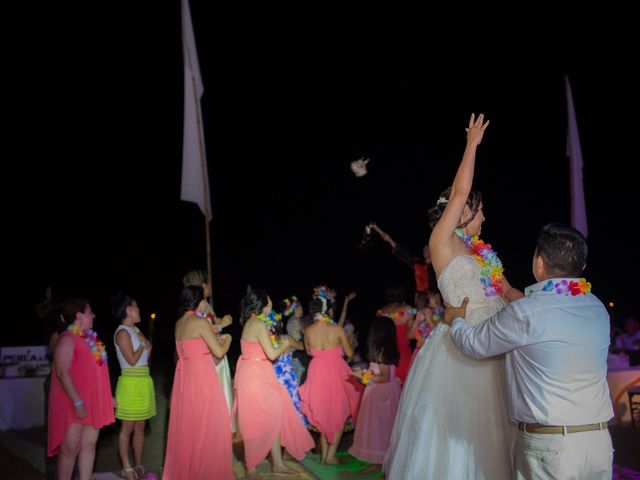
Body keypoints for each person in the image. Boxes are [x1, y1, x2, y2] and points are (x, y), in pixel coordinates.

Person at [384, 113, 521, 479]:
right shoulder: (441, 242)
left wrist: (544, 305)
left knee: (498, 428)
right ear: (461, 213)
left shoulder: (481, 252)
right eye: (479, 211)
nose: (484, 217)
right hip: (461, 346)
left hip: (497, 338)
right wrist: (472, 144)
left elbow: (507, 290)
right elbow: (460, 192)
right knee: (463, 432)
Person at [444, 223, 614, 480]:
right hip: (598, 443)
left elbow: (474, 344)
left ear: (539, 262)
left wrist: (456, 320)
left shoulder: (525, 313)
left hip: (551, 449)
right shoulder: (597, 307)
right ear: (582, 267)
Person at [234, 286, 314, 480]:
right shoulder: (258, 324)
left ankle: (277, 463)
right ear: (262, 305)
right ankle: (251, 468)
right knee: (256, 419)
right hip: (255, 375)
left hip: (258, 373)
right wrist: (286, 344)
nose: (271, 302)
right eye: (268, 300)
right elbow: (271, 354)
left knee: (275, 414)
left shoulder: (253, 323)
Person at [162, 285, 234, 479]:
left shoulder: (179, 323)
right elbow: (218, 352)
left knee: (191, 427)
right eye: (204, 299)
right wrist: (228, 338)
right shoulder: (200, 322)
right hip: (202, 376)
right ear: (198, 301)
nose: (205, 303)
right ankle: (207, 472)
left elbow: (188, 349)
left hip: (185, 377)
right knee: (211, 424)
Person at [47, 297, 115, 480]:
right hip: (73, 403)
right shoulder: (67, 339)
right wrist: (77, 402)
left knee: (90, 446)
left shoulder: (91, 340)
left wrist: (107, 397)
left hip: (93, 402)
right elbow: (62, 373)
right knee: (70, 449)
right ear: (79, 316)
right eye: (89, 311)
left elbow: (97, 373)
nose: (93, 315)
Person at [298, 286, 363, 465]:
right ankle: (329, 455)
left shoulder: (308, 331)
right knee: (339, 412)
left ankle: (326, 454)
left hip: (316, 371)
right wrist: (346, 343)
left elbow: (309, 351)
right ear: (328, 310)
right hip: (335, 372)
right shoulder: (337, 330)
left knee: (323, 412)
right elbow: (349, 353)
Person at [182, 269, 236, 432]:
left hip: (212, 358)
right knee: (215, 406)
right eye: (209, 282)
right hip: (211, 361)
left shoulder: (203, 306)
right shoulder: (201, 307)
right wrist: (222, 325)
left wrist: (217, 323)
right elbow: (203, 331)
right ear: (203, 285)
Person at [111, 292, 155, 480]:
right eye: (135, 306)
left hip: (143, 381)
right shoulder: (122, 332)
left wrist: (147, 346)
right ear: (129, 310)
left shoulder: (135, 330)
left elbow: (145, 355)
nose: (139, 309)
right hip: (130, 384)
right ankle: (127, 467)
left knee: (140, 426)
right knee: (127, 427)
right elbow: (131, 359)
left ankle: (138, 464)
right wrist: (143, 347)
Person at [349, 315, 402, 469]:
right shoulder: (382, 350)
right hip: (377, 392)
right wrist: (365, 373)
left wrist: (364, 376)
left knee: (383, 428)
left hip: (382, 395)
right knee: (377, 429)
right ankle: (377, 460)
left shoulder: (383, 351)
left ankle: (384, 460)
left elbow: (385, 377)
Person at [371, 223, 433, 309]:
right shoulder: (418, 263)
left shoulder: (436, 264)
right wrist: (389, 239)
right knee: (422, 315)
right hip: (421, 296)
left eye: (428, 248)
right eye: (425, 249)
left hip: (435, 295)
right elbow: (403, 252)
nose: (426, 250)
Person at [376, 284, 415, 384]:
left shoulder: (381, 312)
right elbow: (411, 334)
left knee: (389, 386)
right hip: (402, 354)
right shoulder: (408, 309)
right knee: (404, 386)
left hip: (386, 354)